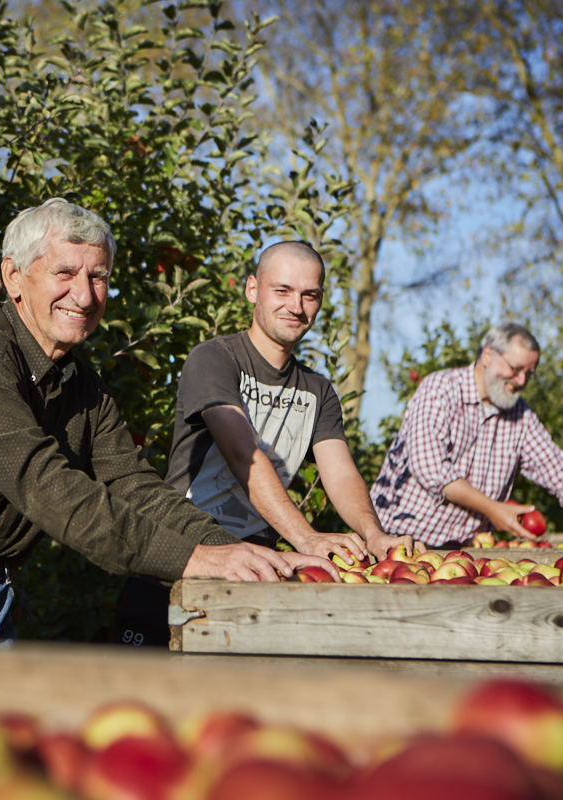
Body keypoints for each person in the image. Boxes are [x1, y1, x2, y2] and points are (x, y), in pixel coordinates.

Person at [0, 199, 335, 645]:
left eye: (98, 277)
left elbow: (135, 486)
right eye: (65, 273)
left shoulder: (79, 384)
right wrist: (195, 559)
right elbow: (46, 486)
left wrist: (235, 553)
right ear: (14, 277)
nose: (84, 294)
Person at [111, 241, 419, 648]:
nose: (296, 305)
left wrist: (373, 533)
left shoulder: (318, 391)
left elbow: (340, 472)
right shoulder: (215, 359)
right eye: (283, 290)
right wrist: (306, 539)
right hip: (182, 555)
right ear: (252, 290)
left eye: (309, 295)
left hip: (259, 568)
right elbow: (244, 454)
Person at [369, 322, 563, 547]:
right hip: (398, 542)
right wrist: (492, 508)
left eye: (529, 373)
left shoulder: (520, 416)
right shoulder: (440, 389)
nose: (522, 381)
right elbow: (430, 469)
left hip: (462, 552)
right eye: (515, 369)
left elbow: (558, 471)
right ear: (488, 355)